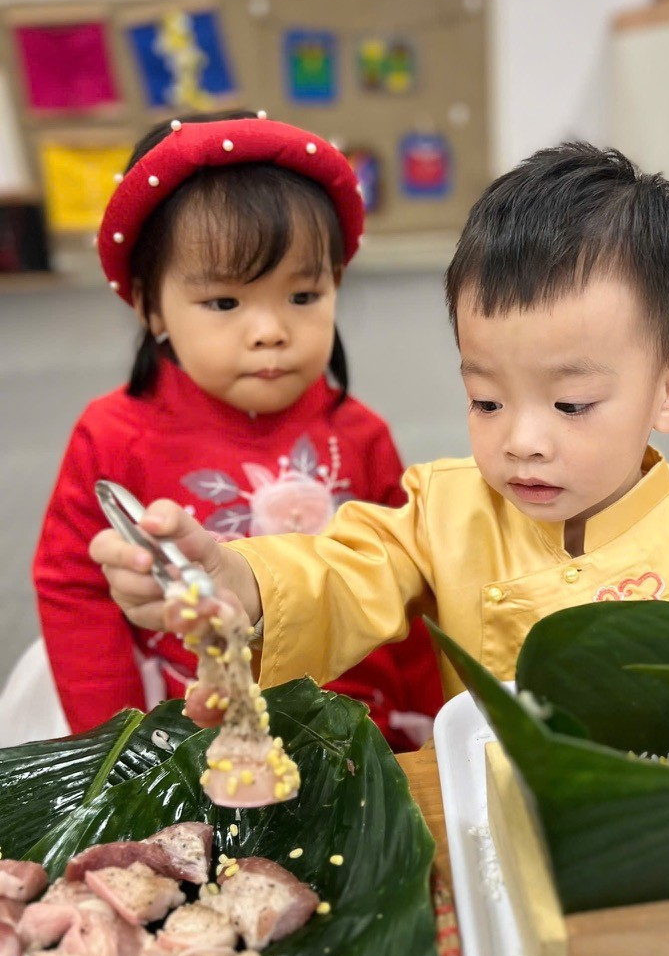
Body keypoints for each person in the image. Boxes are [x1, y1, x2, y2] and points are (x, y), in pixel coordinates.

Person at [90, 142, 669, 710]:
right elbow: (341, 575)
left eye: (571, 405)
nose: (521, 442)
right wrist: (242, 582)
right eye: (486, 401)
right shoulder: (441, 511)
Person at [15, 109, 442, 750]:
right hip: (191, 732)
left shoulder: (363, 434)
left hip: (349, 723)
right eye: (224, 302)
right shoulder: (111, 436)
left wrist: (430, 722)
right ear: (150, 305)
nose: (270, 331)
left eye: (303, 297)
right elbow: (75, 592)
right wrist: (118, 746)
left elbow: (407, 587)